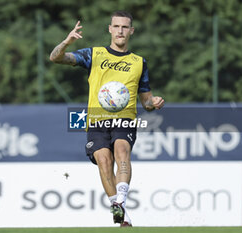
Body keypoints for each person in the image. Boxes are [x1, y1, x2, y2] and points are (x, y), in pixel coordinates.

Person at [50, 11, 164, 227]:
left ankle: (119, 202)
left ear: (131, 31)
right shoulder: (94, 54)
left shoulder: (139, 62)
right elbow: (55, 58)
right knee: (104, 160)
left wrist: (154, 102)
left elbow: (146, 101)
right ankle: (120, 212)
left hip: (125, 119)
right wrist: (67, 41)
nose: (120, 31)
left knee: (122, 150)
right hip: (96, 119)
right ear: (109, 29)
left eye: (124, 27)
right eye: (116, 26)